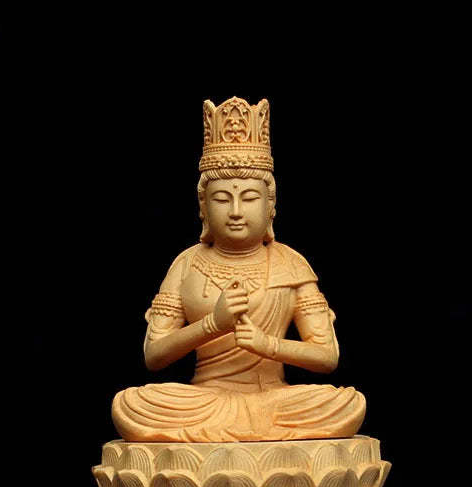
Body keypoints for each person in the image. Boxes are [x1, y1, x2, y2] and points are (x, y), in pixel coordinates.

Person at [111, 98, 365, 442]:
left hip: (273, 397)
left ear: (271, 205)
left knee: (345, 402)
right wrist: (212, 324)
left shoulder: (290, 262)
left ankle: (232, 435)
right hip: (205, 398)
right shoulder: (186, 264)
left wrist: (267, 344)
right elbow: (154, 356)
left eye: (249, 198)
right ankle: (252, 436)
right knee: (132, 403)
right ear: (203, 207)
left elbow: (327, 356)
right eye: (221, 199)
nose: (235, 211)